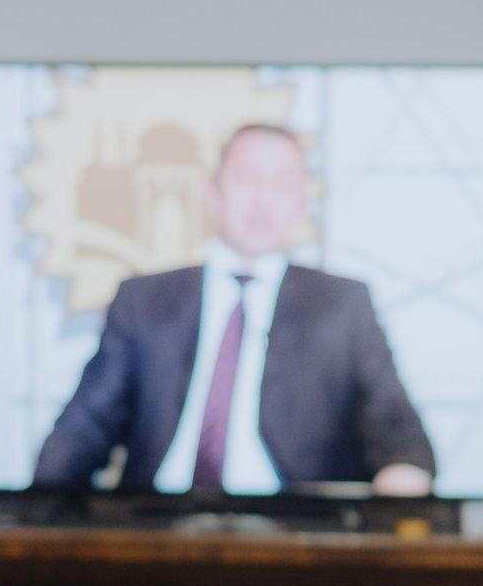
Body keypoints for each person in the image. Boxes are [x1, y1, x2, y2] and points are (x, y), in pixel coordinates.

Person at [33, 124, 436, 495]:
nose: (264, 200)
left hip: (296, 538)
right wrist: (33, 518)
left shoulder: (342, 305)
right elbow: (83, 428)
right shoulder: (144, 301)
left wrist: (402, 475)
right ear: (213, 193)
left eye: (283, 185)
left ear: (301, 204)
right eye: (248, 180)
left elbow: (397, 429)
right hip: (157, 530)